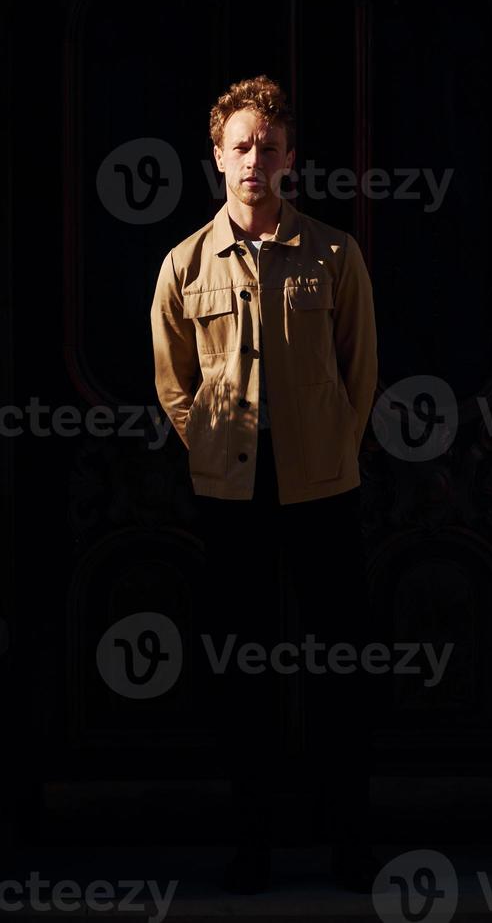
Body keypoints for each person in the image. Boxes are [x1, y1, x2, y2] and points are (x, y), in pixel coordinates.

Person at [150, 74, 379, 893]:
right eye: (240, 146)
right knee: (241, 670)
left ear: (291, 160)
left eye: (269, 147)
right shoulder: (184, 265)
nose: (255, 160)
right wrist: (211, 445)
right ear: (216, 156)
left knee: (340, 667)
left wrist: (330, 449)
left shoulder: (333, 254)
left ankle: (351, 840)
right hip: (230, 497)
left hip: (322, 488)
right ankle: (253, 843)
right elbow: (174, 384)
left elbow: (360, 372)